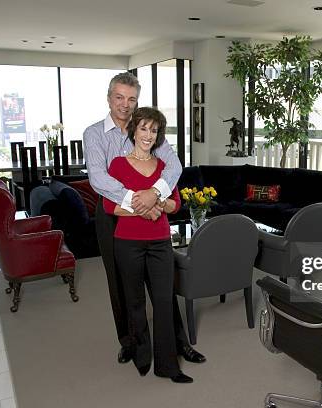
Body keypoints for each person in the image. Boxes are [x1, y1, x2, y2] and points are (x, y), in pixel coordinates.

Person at [83, 72, 205, 367]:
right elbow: (99, 179)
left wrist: (154, 193)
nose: (125, 104)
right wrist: (139, 203)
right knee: (121, 283)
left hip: (153, 208)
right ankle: (130, 342)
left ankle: (178, 342)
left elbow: (173, 167)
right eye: (119, 97)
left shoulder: (148, 130)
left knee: (163, 284)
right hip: (113, 213)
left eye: (131, 98)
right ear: (109, 97)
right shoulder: (94, 134)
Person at [104, 107, 191, 383]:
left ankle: (168, 365)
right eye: (143, 128)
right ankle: (142, 356)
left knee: (164, 301)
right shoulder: (117, 165)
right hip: (127, 243)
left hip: (160, 243)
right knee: (135, 302)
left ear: (158, 136)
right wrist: (143, 209)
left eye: (153, 130)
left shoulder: (165, 168)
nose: (148, 134)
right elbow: (110, 206)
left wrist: (157, 201)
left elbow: (175, 204)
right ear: (134, 130)